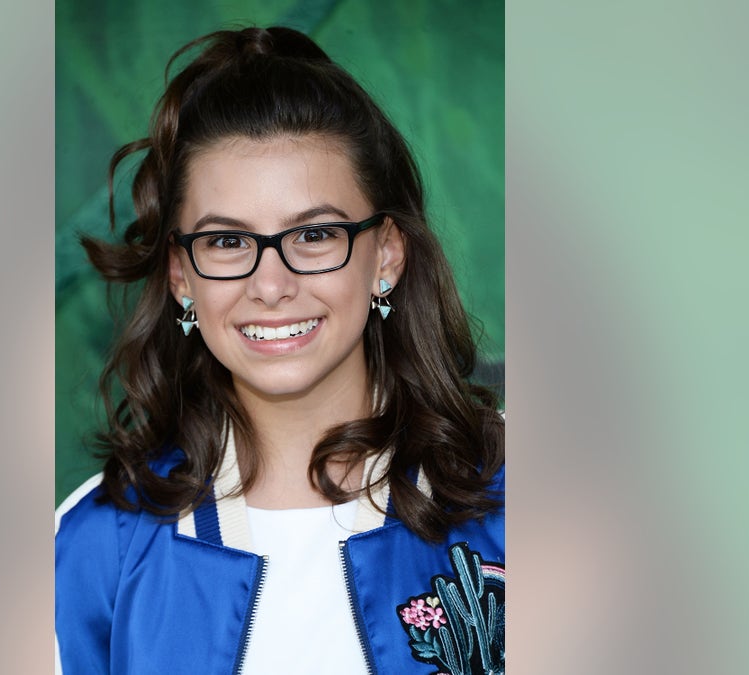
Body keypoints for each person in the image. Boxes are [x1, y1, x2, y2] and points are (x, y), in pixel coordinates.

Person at [56, 26, 504, 675]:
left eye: (315, 234)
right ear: (181, 277)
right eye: (227, 243)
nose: (271, 285)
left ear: (387, 255)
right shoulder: (96, 547)